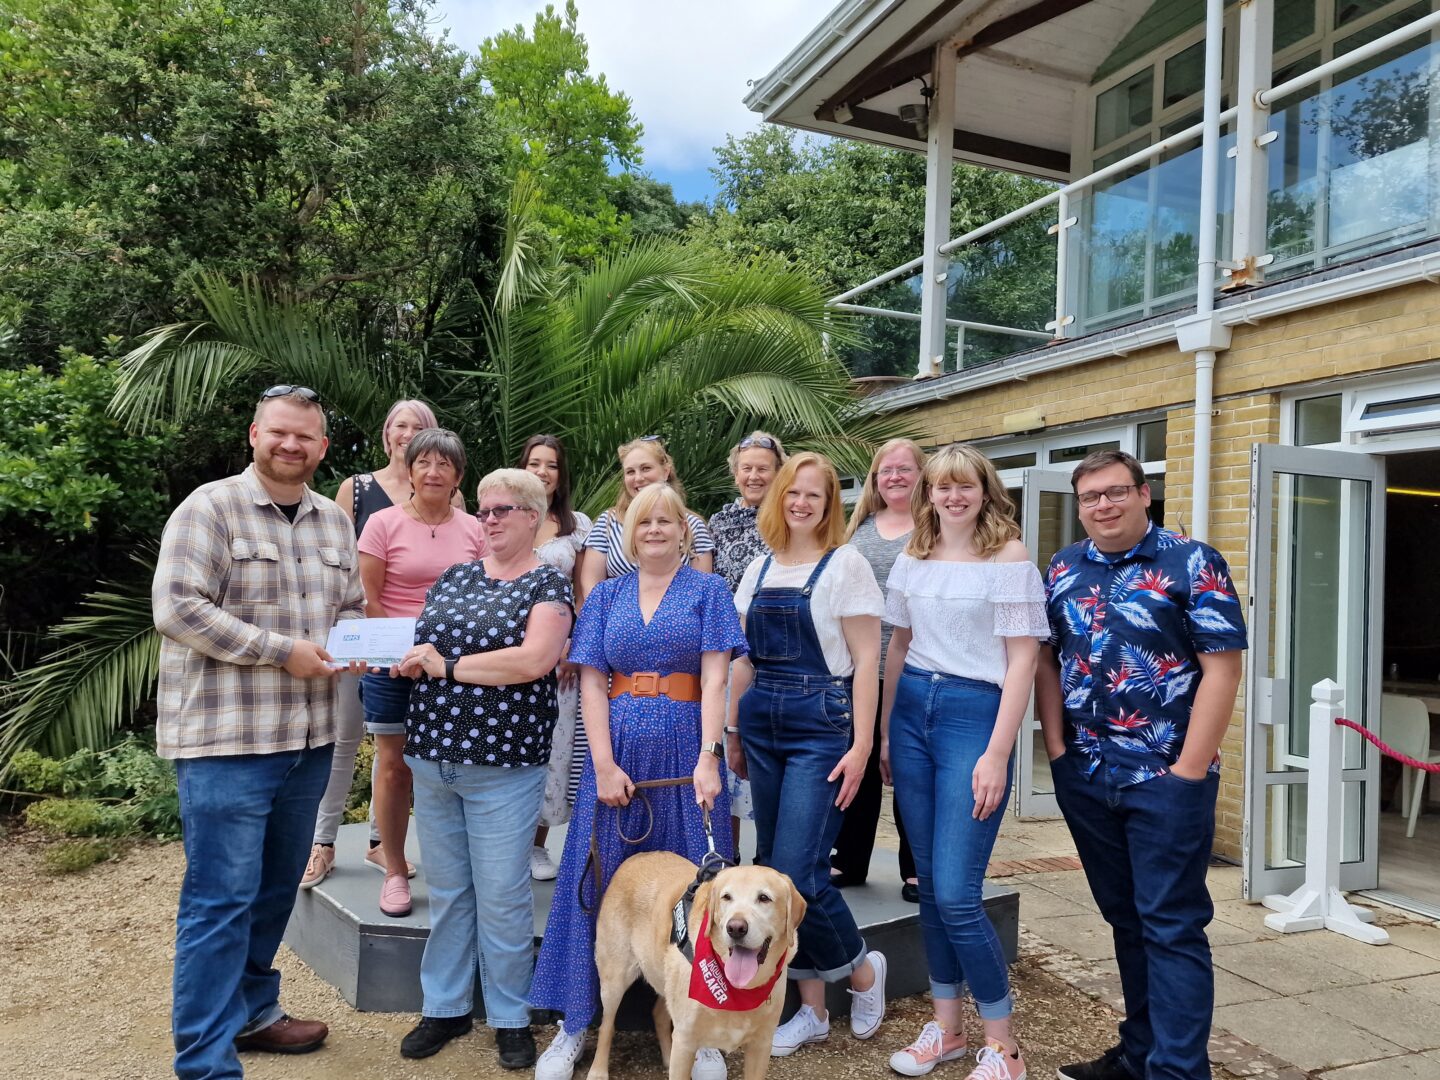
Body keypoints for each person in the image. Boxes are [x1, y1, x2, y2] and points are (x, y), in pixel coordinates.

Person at [153, 385, 366, 1079]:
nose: (291, 445)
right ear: (254, 434)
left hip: (306, 746)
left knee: (275, 894)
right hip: (227, 748)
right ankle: (206, 1062)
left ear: (323, 447)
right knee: (220, 900)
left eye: (305, 437)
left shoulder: (335, 526)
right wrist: (281, 650)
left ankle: (252, 1013)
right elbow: (178, 608)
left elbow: (351, 611)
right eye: (279, 433)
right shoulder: (209, 509)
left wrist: (366, 644)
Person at [1035, 449, 1246, 1080]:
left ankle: (1178, 1071)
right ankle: (1140, 1053)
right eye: (1090, 497)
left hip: (1163, 777)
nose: (1102, 505)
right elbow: (1047, 660)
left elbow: (1223, 669)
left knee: (1172, 926)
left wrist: (1188, 772)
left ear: (1143, 493)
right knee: (1126, 918)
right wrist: (1056, 751)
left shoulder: (1192, 561)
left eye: (1114, 492)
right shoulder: (1064, 567)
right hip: (1086, 774)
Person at [532, 483, 747, 1080]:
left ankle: (697, 1028)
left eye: (665, 520)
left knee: (700, 893)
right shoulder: (603, 596)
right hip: (618, 748)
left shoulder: (709, 592)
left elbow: (713, 682)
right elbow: (594, 683)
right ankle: (574, 1024)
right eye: (643, 521)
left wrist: (709, 758)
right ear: (629, 532)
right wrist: (601, 763)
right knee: (594, 881)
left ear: (684, 529)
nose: (654, 528)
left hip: (686, 750)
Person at [392, 468, 574, 1068]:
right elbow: (423, 644)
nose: (490, 519)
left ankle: (510, 1015)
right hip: (432, 755)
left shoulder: (548, 584)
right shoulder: (454, 576)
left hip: (503, 765)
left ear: (533, 516)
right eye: (485, 510)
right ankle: (443, 1007)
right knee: (448, 893)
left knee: (501, 896)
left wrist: (444, 667)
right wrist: (407, 661)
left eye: (504, 510)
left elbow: (534, 660)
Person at [880, 445, 1048, 1080]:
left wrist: (998, 752)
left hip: (974, 717)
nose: (953, 496)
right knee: (928, 889)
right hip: (914, 710)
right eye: (941, 487)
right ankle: (946, 1031)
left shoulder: (1008, 557)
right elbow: (899, 645)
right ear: (927, 494)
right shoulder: (913, 557)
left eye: (965, 486)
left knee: (956, 893)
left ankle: (1003, 1047)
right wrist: (888, 735)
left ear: (985, 490)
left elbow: (1023, 660)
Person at [727, 451, 888, 1058]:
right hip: (762, 721)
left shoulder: (845, 565)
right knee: (771, 868)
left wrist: (863, 746)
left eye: (814, 496)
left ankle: (863, 969)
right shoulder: (759, 567)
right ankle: (811, 1009)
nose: (801, 503)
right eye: (792, 493)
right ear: (778, 499)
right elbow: (744, 660)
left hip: (823, 724)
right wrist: (733, 732)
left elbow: (868, 661)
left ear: (829, 505)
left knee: (797, 874)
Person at [302, 399, 452, 890]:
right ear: (388, 436)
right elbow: (338, 561)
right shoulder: (358, 489)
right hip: (364, 638)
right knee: (345, 740)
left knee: (401, 754)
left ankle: (377, 845)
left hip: (430, 655)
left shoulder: (450, 496)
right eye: (400, 426)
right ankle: (322, 843)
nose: (408, 434)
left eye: (419, 427)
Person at [358, 428, 487, 918]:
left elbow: (482, 597)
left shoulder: (473, 529)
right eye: (424, 463)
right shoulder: (382, 524)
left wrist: (452, 659)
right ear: (408, 470)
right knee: (394, 768)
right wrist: (399, 653)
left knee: (457, 768)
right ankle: (394, 871)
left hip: (455, 668)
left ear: (458, 475)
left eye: (444, 465)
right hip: (392, 665)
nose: (433, 473)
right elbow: (369, 598)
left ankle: (458, 870)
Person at [835, 438, 924, 899]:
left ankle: (915, 866)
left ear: (921, 473)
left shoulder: (932, 525)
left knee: (906, 763)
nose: (894, 477)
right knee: (860, 761)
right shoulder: (861, 526)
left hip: (914, 662)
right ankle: (849, 859)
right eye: (886, 470)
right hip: (861, 665)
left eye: (904, 469)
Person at [517, 434, 593, 882]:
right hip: (507, 652)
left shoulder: (577, 524)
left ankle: (538, 844)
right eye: (534, 463)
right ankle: (503, 843)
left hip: (558, 654)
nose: (542, 472)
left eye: (551, 465)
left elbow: (584, 592)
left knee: (554, 749)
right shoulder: (502, 514)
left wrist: (572, 645)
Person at [708, 430, 787, 854]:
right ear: (735, 472)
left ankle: (770, 855)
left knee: (766, 757)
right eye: (747, 468)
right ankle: (728, 853)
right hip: (729, 646)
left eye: (763, 468)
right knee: (728, 757)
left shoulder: (788, 517)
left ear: (778, 472)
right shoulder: (718, 522)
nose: (754, 476)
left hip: (777, 648)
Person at [576, 436, 714, 603]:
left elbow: (702, 591)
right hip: (616, 618)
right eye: (630, 472)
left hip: (677, 618)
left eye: (646, 468)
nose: (638, 478)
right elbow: (591, 584)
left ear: (665, 471)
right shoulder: (608, 523)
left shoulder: (693, 525)